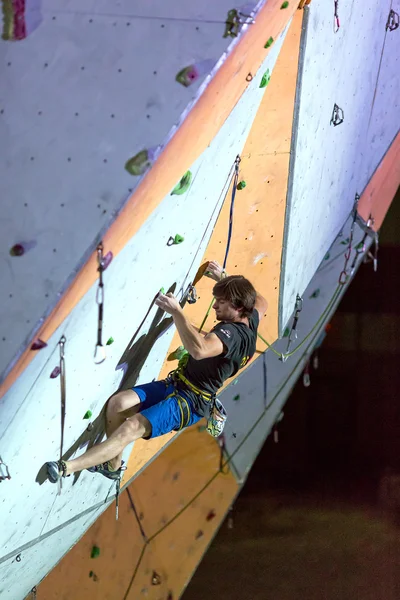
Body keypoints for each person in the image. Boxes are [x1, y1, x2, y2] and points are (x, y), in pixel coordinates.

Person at [46, 261, 268, 484]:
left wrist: (176, 312)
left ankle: (66, 467)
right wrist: (224, 279)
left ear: (238, 307)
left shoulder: (231, 334)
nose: (215, 307)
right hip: (177, 385)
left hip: (189, 403)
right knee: (118, 404)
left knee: (132, 426)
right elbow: (262, 301)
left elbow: (199, 350)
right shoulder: (251, 317)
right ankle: (112, 465)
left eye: (221, 302)